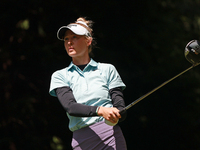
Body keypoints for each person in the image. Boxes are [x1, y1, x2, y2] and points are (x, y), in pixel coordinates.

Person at [49, 17, 127, 150]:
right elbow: (71, 107)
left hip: (111, 136)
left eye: (74, 37)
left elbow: (120, 105)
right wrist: (100, 110)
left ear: (88, 41)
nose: (69, 42)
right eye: (66, 39)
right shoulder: (59, 75)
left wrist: (116, 114)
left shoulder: (107, 69)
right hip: (81, 141)